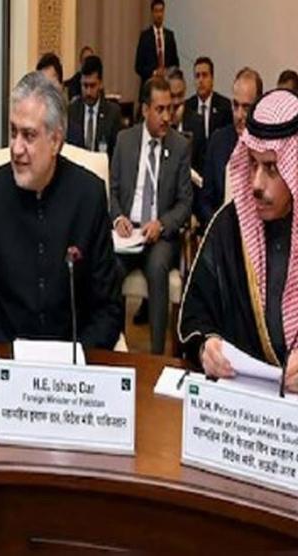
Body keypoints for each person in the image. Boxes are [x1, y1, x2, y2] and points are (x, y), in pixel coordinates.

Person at [0, 71, 122, 349]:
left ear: (56, 141)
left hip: (75, 358)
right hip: (8, 354)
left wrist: (74, 361)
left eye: (29, 135)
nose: (16, 148)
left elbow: (109, 308)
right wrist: (12, 358)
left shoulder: (89, 194)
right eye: (13, 132)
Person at [179, 89, 298, 388]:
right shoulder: (229, 226)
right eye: (253, 164)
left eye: (272, 168)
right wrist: (206, 347)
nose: (256, 184)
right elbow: (194, 316)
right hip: (239, 399)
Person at [110, 76, 192, 355]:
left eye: (170, 108)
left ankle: (157, 355)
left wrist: (162, 224)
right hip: (128, 232)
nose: (167, 116)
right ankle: (113, 346)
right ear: (145, 109)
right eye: (160, 109)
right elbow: (112, 190)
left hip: (160, 235)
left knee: (157, 268)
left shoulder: (180, 146)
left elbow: (185, 203)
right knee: (109, 268)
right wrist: (118, 218)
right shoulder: (125, 140)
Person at [195, 67, 262, 230]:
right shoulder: (218, 141)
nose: (239, 115)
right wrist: (219, 227)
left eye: (246, 107)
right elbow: (205, 200)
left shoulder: (267, 147)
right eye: (236, 105)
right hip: (221, 231)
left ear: (258, 106)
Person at [66, 55, 123, 159]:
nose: (88, 92)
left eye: (92, 86)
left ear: (100, 84)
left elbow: (117, 153)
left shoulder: (112, 113)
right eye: (85, 85)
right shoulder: (71, 111)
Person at [167, 67, 206, 174]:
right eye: (172, 96)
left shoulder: (197, 123)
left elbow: (201, 166)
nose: (176, 102)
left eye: (180, 95)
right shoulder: (158, 121)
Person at [186, 57, 233, 144]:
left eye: (204, 75)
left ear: (212, 79)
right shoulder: (187, 106)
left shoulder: (224, 105)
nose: (200, 80)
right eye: (197, 76)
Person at [135, 0, 179, 92]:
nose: (159, 15)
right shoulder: (145, 36)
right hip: (149, 87)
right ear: (152, 13)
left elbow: (175, 63)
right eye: (156, 11)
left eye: (161, 11)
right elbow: (138, 66)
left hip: (167, 86)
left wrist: (167, 72)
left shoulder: (169, 36)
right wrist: (154, 72)